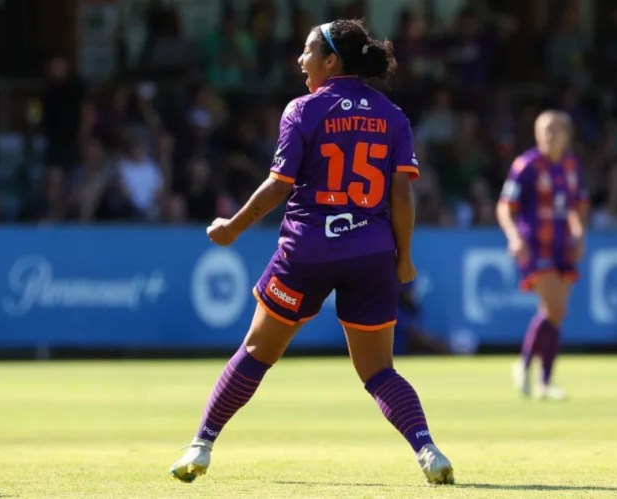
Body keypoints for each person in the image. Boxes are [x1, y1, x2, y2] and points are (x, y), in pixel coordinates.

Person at [169, 19, 454, 485]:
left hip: (308, 251)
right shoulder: (392, 115)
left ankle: (201, 445)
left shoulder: (303, 110)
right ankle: (428, 450)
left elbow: (278, 185)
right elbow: (402, 195)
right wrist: (404, 258)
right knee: (378, 371)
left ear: (331, 60)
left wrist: (232, 227)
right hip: (371, 253)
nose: (301, 61)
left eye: (307, 52)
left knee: (257, 351)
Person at [496, 110, 587, 400]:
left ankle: (542, 381)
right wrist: (514, 237)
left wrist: (579, 233)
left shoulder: (571, 166)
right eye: (543, 130)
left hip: (562, 245)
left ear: (566, 135)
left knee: (555, 315)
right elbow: (504, 206)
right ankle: (527, 367)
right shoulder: (526, 165)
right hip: (535, 245)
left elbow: (578, 206)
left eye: (554, 130)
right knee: (554, 308)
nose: (548, 135)